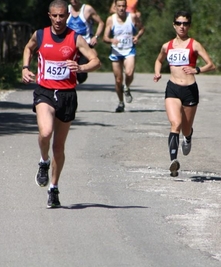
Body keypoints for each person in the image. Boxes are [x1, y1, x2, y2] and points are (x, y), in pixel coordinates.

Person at [22, 0, 100, 208]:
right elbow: (28, 49)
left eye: (62, 16)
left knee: (58, 146)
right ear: (49, 15)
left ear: (67, 16)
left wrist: (81, 67)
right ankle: (43, 161)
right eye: (55, 16)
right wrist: (24, 68)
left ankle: (53, 188)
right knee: (46, 132)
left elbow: (96, 60)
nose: (58, 19)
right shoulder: (40, 35)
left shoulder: (75, 38)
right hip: (44, 91)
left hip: (67, 95)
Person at [153, 10, 215, 177]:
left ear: (189, 25)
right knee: (175, 124)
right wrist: (157, 72)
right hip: (172, 88)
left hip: (189, 90)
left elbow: (211, 64)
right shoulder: (167, 46)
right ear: (174, 25)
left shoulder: (194, 44)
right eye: (179, 23)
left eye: (185, 23)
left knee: (186, 129)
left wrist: (197, 69)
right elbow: (159, 60)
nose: (182, 26)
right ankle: (173, 162)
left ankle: (188, 137)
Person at [103, 0, 144, 112]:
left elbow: (142, 28)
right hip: (116, 52)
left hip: (129, 49)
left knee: (129, 73)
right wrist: (111, 40)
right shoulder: (111, 19)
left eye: (123, 6)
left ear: (126, 7)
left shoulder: (132, 17)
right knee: (118, 80)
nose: (121, 8)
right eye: (119, 6)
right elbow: (105, 37)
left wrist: (137, 37)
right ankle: (121, 103)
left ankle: (127, 87)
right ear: (115, 7)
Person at [66, 0, 104, 84]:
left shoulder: (87, 9)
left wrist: (95, 37)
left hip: (85, 45)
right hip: (69, 44)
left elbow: (101, 23)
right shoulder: (66, 9)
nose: (74, 0)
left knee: (81, 77)